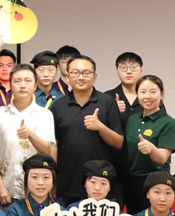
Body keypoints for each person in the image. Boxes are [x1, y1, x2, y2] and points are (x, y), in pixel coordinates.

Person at [50, 55, 123, 206]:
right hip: (67, 184)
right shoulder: (58, 106)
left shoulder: (107, 102)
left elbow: (118, 143)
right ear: (67, 76)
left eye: (86, 73)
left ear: (94, 77)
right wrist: (53, 179)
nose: (81, 77)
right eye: (75, 73)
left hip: (99, 186)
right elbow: (54, 146)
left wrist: (100, 127)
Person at [0, 64, 56, 209]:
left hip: (36, 190)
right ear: (10, 85)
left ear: (35, 85)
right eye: (17, 81)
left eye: (28, 81)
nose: (23, 85)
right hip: (6, 188)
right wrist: (0, 186)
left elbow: (46, 150)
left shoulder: (45, 115)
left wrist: (30, 134)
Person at [122, 75, 175, 214]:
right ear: (137, 94)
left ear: (162, 94)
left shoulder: (169, 123)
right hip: (130, 180)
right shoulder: (132, 119)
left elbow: (162, 159)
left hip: (155, 181)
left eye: (153, 92)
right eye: (142, 92)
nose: (147, 96)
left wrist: (152, 149)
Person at [105, 52, 145, 125]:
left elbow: (162, 124)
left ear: (141, 70)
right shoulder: (107, 97)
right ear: (117, 71)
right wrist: (113, 111)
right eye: (123, 67)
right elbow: (99, 125)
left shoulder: (150, 97)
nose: (129, 71)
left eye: (133, 67)